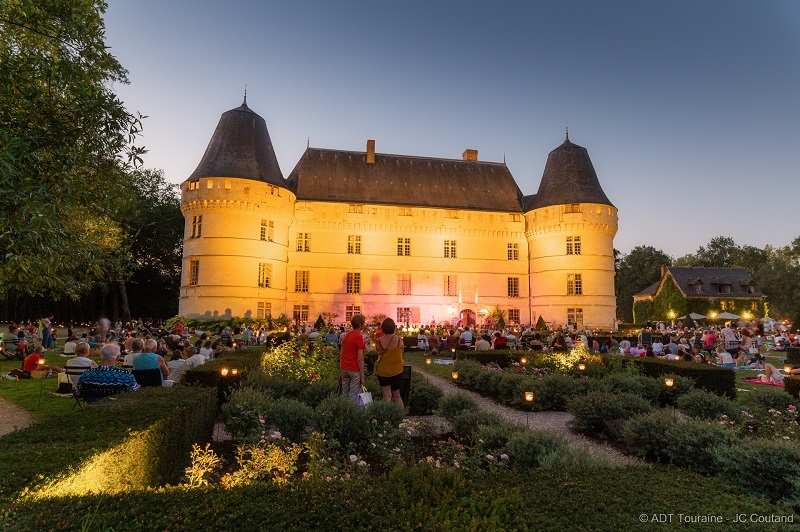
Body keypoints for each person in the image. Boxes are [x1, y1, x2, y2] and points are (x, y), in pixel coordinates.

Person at [374, 317, 405, 408]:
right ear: (393, 327)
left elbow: (378, 352)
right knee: (397, 396)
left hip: (383, 371)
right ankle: (401, 418)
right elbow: (402, 351)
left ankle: (386, 418)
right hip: (397, 370)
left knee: (387, 396)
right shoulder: (399, 340)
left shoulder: (378, 341)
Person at [340, 314, 366, 403]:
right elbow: (360, 358)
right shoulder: (359, 337)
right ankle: (351, 414)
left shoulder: (346, 335)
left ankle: (342, 413)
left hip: (344, 367)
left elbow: (342, 352)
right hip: (354, 369)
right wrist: (362, 376)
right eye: (363, 324)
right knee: (353, 396)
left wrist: (341, 368)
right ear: (360, 325)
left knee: (344, 394)